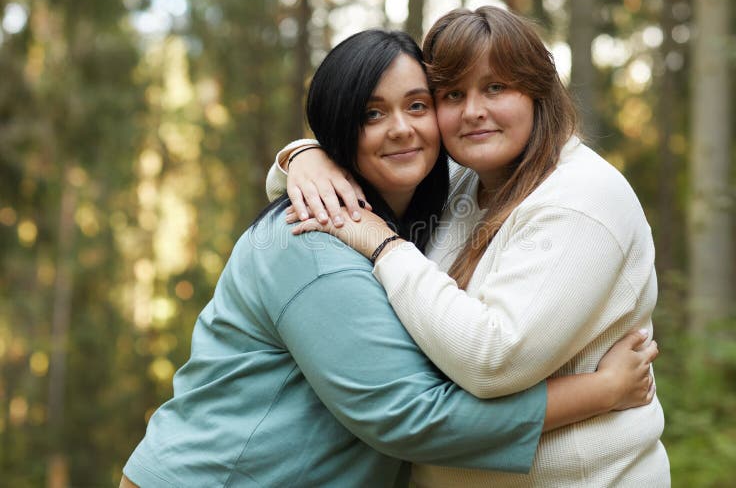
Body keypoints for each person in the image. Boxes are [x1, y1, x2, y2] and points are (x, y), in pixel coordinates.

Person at [121, 29, 658, 488]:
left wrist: (298, 156)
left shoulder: (435, 205)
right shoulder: (312, 243)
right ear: (340, 131)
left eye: (417, 105)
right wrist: (600, 391)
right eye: (371, 114)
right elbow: (411, 419)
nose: (401, 127)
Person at [268, 7, 670, 487]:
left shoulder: (580, 199)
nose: (474, 110)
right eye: (452, 94)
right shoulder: (467, 178)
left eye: (496, 87)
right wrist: (304, 156)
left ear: (538, 90)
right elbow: (343, 175)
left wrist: (384, 245)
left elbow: (492, 359)